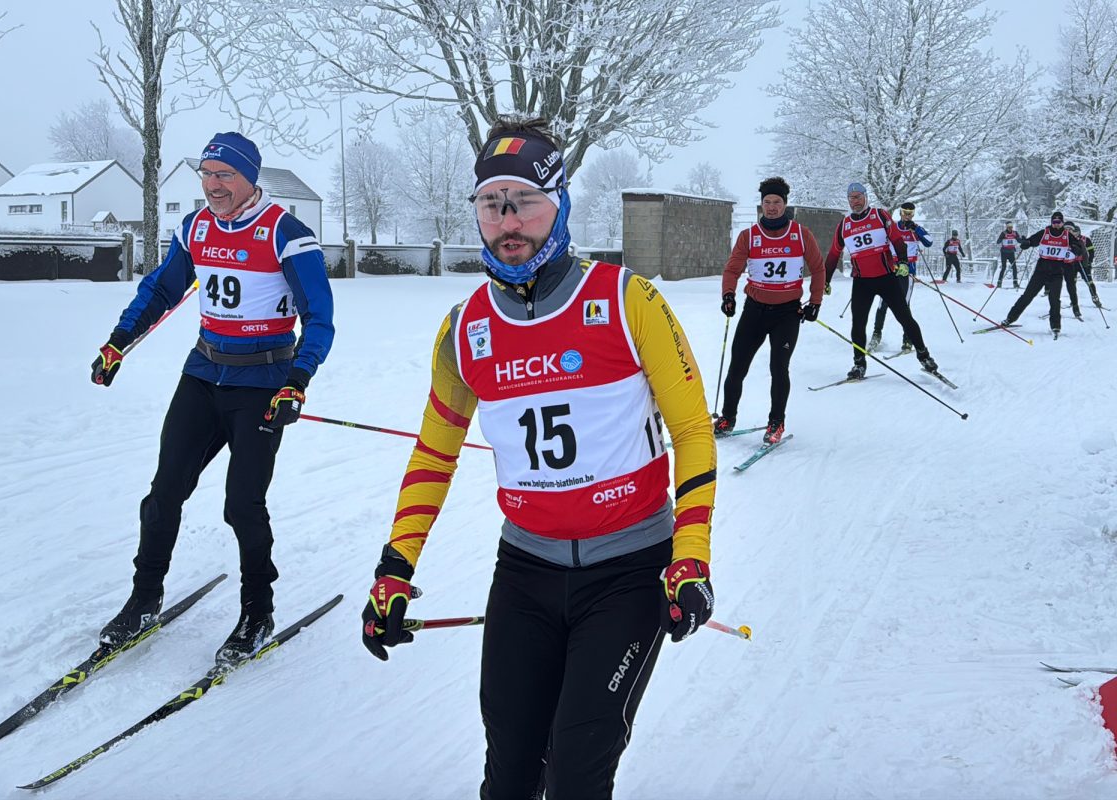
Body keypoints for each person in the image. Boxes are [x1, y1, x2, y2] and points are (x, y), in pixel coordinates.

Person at [358, 115, 717, 800]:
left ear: (560, 203)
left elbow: (693, 431)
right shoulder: (465, 330)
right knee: (511, 772)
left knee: (580, 770)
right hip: (524, 572)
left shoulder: (624, 299)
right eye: (491, 204)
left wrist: (690, 553)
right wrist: (395, 567)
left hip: (629, 570)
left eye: (524, 199)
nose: (507, 220)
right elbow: (434, 453)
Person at [90, 132, 335, 666]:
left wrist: (298, 379)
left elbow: (320, 316)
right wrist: (117, 343)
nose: (213, 185)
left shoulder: (287, 235)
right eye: (206, 174)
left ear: (250, 178)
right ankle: (144, 598)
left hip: (262, 385)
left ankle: (257, 611)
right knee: (162, 494)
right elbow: (159, 289)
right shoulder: (195, 228)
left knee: (242, 505)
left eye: (224, 175)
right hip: (203, 376)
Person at [712, 176, 825, 444]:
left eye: (777, 202)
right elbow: (732, 269)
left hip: (787, 313)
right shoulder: (749, 236)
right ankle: (728, 417)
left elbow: (818, 269)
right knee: (737, 367)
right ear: (761, 205)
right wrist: (728, 295)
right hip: (755, 311)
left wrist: (815, 302)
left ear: (785, 204)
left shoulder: (800, 234)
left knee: (779, 368)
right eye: (767, 202)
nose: (772, 207)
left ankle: (776, 422)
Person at [824, 183, 938, 379]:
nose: (855, 201)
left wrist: (902, 261)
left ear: (866, 197)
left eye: (858, 196)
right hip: (862, 282)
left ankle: (924, 356)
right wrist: (825, 280)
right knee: (858, 324)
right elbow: (834, 254)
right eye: (851, 198)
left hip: (886, 278)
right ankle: (859, 364)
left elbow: (896, 240)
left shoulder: (879, 215)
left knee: (905, 317)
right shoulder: (844, 225)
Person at [1000, 210, 1085, 337]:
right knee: (1027, 295)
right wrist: (1026, 243)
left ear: (1062, 222)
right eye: (1054, 222)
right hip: (1041, 271)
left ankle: (1055, 326)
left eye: (1059, 222)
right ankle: (1010, 318)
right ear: (1052, 222)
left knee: (1054, 300)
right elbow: (1031, 241)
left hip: (1057, 272)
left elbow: (1080, 248)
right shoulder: (1045, 232)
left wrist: (1076, 249)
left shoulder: (1067, 235)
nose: (1056, 224)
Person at [868, 201, 930, 352]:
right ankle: (876, 335)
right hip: (891, 269)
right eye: (904, 212)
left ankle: (907, 339)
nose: (907, 216)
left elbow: (929, 242)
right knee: (883, 304)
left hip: (907, 272)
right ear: (900, 212)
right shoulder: (893, 227)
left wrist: (916, 229)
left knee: (904, 305)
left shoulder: (916, 229)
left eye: (910, 213)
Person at [994, 221, 1022, 288]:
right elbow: (998, 242)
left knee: (1014, 267)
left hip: (1011, 252)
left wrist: (1025, 241)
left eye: (1011, 226)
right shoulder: (1004, 233)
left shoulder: (1015, 233)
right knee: (1004, 267)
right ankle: (999, 283)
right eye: (1009, 226)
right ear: (1006, 226)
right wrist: (1001, 238)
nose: (1010, 227)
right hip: (1004, 252)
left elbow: (1019, 240)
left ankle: (1015, 283)